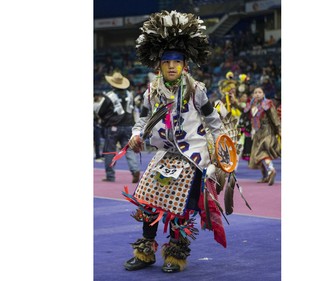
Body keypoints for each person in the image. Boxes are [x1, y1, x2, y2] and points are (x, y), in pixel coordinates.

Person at [122, 10, 228, 273]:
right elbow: (143, 120)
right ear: (159, 66)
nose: (171, 66)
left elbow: (213, 120)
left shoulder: (196, 91)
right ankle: (145, 252)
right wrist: (136, 135)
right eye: (167, 62)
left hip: (191, 156)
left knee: (178, 207)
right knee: (147, 200)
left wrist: (222, 147)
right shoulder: (151, 92)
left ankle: (175, 255)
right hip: (164, 155)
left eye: (177, 62)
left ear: (184, 66)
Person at [94, 71, 141, 183]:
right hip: (128, 126)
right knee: (129, 150)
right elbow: (133, 109)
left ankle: (110, 176)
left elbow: (99, 111)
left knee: (110, 151)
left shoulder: (109, 96)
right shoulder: (131, 95)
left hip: (113, 127)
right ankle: (135, 170)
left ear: (112, 84)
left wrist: (106, 119)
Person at [247, 86, 281, 185]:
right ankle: (265, 176)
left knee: (261, 153)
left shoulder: (267, 104)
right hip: (257, 133)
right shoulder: (253, 105)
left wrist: (279, 130)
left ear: (263, 94)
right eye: (255, 92)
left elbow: (274, 118)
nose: (257, 94)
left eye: (260, 92)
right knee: (256, 156)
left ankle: (271, 170)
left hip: (267, 131)